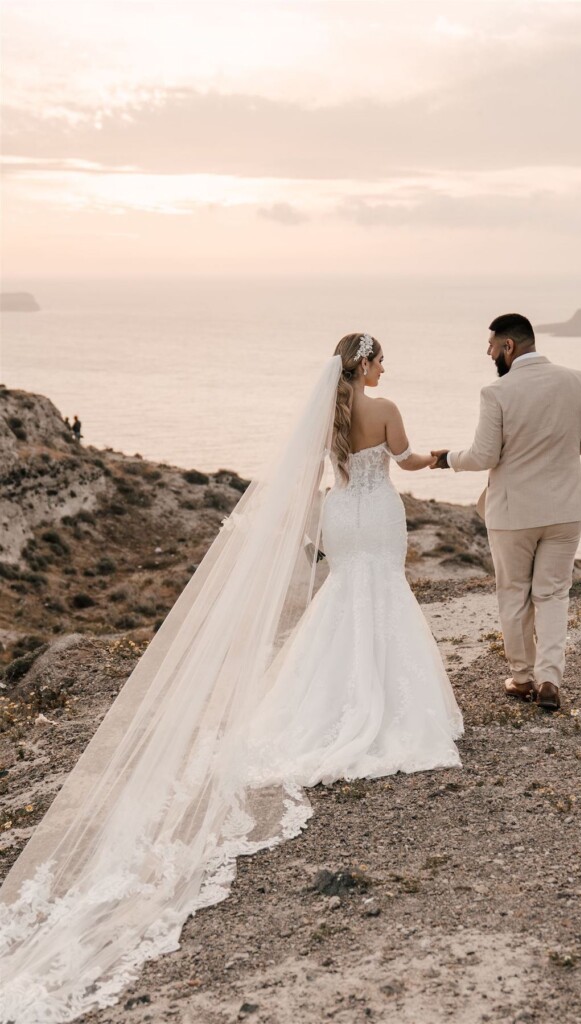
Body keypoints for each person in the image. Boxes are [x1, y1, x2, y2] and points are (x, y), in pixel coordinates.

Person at [0, 334, 462, 1024]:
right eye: (380, 358)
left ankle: (328, 702)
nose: (386, 367)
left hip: (343, 515)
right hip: (379, 514)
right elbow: (406, 460)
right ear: (365, 365)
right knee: (384, 594)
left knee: (343, 596)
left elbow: (305, 483)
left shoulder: (329, 416)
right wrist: (447, 458)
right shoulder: (385, 406)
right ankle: (381, 709)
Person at [432, 313, 581, 712]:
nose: (488, 352)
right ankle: (550, 680)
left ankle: (523, 678)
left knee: (514, 594)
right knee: (554, 594)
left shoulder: (497, 392)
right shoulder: (578, 379)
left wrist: (447, 459)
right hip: (566, 508)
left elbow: (484, 456)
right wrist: (552, 455)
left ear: (509, 346)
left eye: (492, 345)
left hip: (513, 512)